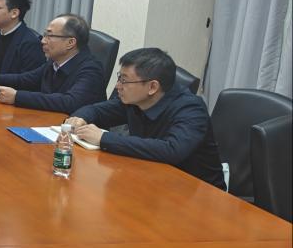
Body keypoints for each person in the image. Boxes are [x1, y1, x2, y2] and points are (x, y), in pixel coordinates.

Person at [65, 48, 226, 188]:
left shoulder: (191, 109)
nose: (118, 86)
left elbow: (172, 150)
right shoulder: (135, 100)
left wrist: (103, 138)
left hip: (199, 192)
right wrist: (80, 118)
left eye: (124, 80)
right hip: (154, 179)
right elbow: (98, 110)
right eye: (119, 78)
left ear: (152, 87)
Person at [0, 13, 105, 113]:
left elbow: (69, 102)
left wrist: (17, 97)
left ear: (70, 43)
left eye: (50, 36)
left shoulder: (91, 70)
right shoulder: (54, 62)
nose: (43, 41)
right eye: (44, 35)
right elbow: (27, 79)